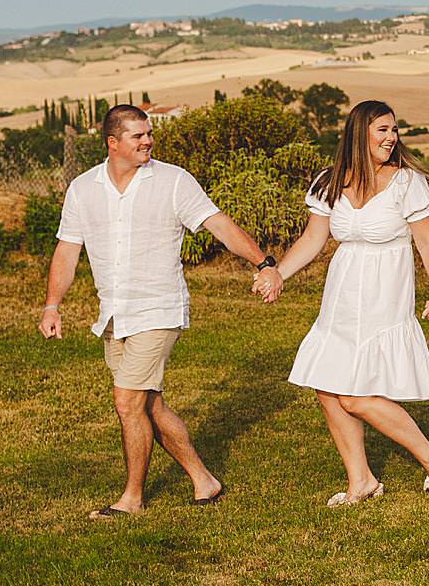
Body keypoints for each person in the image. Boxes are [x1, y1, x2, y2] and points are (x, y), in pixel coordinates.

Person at [39, 103, 285, 518]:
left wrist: (263, 263)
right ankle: (203, 479)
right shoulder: (83, 188)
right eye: (138, 136)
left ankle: (132, 498)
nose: (148, 141)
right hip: (115, 314)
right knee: (149, 404)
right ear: (113, 143)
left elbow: (217, 224)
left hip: (158, 309)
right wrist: (52, 304)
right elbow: (67, 249)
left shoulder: (172, 181)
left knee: (126, 402)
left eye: (148, 133)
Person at [271, 100, 429, 502]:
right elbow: (313, 239)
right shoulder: (329, 181)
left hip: (385, 293)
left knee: (356, 395)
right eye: (382, 130)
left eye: (394, 130)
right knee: (327, 387)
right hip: (341, 295)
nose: (391, 138)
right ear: (359, 133)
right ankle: (360, 480)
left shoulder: (407, 183)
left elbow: (428, 242)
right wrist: (278, 272)